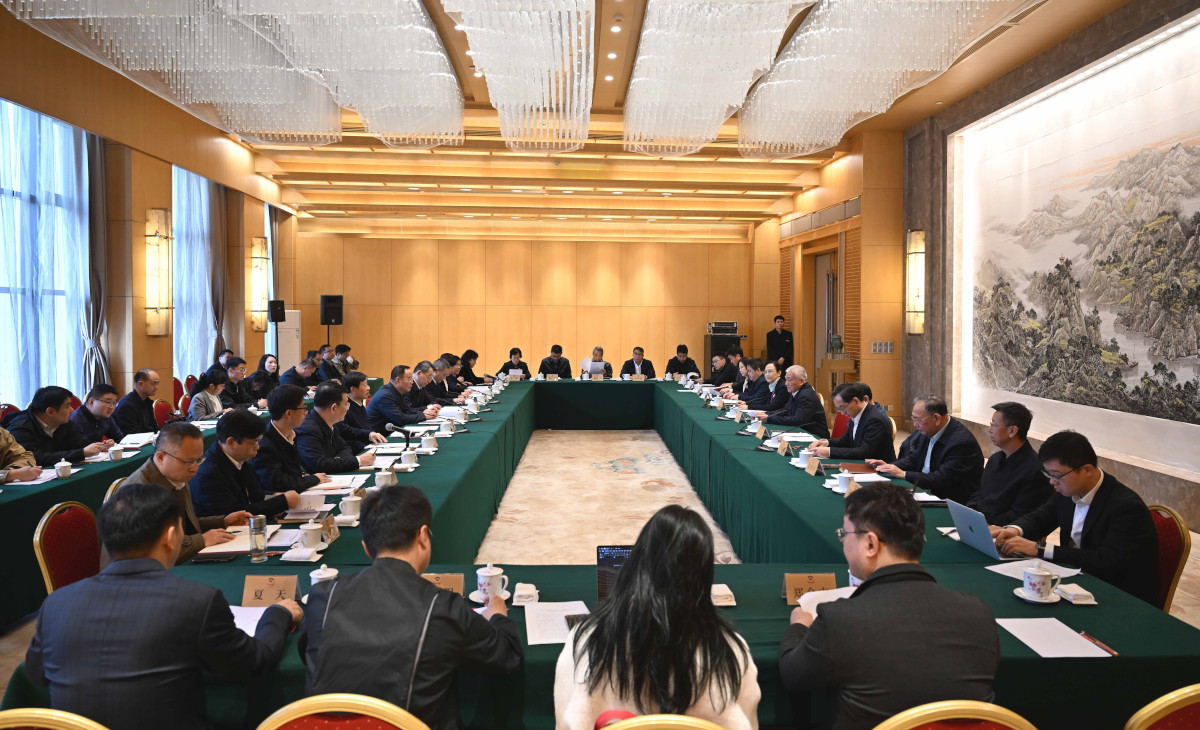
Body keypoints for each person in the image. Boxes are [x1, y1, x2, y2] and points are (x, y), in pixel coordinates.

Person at [26, 482, 300, 730]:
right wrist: (278, 614)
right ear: (171, 537)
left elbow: (37, 675)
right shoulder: (196, 601)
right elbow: (254, 663)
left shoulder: (56, 603)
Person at [301, 486, 523, 730]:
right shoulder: (443, 607)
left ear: (366, 547)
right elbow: (508, 657)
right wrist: (497, 616)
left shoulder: (323, 596)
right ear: (423, 536)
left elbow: (309, 652)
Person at [780, 484, 999, 729]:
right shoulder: (979, 612)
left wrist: (798, 625)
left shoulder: (840, 619)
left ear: (870, 544)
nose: (843, 541)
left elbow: (793, 676)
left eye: (845, 534)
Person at [555, 505, 759, 729]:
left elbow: (564, 720)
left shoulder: (586, 641)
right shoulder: (731, 651)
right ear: (704, 576)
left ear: (637, 562)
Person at [991, 431, 1159, 605]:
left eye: (1056, 475)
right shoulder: (1068, 490)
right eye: (1048, 474)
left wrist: (1040, 548)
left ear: (1087, 470)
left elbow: (1106, 561)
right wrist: (1013, 529)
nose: (1052, 482)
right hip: (1074, 583)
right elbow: (1041, 517)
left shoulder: (1126, 506)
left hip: (1118, 596)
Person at [121, 422, 249, 563]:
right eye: (188, 461)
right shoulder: (137, 493)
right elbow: (153, 550)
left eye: (198, 460)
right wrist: (201, 540)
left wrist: (222, 521)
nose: (194, 468)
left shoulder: (177, 475)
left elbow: (184, 526)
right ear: (161, 457)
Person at [869, 395, 984, 504]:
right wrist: (889, 466)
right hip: (925, 488)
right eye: (913, 419)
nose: (915, 424)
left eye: (918, 420)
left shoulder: (961, 443)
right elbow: (914, 459)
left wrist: (904, 474)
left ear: (936, 418)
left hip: (947, 500)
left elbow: (941, 479)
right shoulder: (930, 429)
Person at [190, 409, 300, 519]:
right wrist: (282, 502)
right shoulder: (209, 474)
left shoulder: (238, 458)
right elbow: (235, 513)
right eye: (254, 443)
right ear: (231, 443)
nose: (258, 447)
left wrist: (273, 496)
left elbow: (253, 494)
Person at [968, 402, 1052, 525]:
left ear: (1012, 430)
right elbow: (980, 492)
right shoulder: (995, 459)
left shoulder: (1035, 470)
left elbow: (1019, 517)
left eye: (994, 425)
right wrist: (971, 508)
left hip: (1002, 531)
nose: (989, 429)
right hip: (978, 523)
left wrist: (983, 520)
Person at [251, 385, 329, 495]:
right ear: (289, 413)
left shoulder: (291, 434)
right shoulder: (264, 446)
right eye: (303, 409)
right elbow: (277, 483)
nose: (306, 412)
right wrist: (313, 479)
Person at [6, 386, 106, 465]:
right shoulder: (20, 427)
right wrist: (81, 453)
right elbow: (33, 458)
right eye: (67, 406)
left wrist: (100, 446)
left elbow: (80, 442)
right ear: (50, 411)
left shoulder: (62, 422)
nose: (72, 410)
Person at [295, 382, 377, 474]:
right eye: (346, 404)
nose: (347, 408)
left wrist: (337, 460)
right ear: (333, 408)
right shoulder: (308, 429)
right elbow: (318, 465)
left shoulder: (332, 420)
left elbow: (345, 447)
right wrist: (358, 461)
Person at [809, 382, 896, 462]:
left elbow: (864, 452)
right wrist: (826, 442)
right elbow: (845, 440)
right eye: (838, 409)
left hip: (879, 469)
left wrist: (829, 452)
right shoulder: (856, 413)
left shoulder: (875, 419)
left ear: (856, 401)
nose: (842, 413)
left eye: (843, 408)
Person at [756, 366, 829, 438]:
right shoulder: (797, 390)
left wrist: (769, 419)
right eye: (786, 379)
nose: (786, 383)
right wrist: (766, 414)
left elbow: (797, 420)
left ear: (801, 381)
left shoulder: (806, 395)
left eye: (789, 380)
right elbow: (786, 410)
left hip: (816, 436)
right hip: (802, 431)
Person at [368, 365, 439, 432]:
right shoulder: (385, 396)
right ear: (398, 380)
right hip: (380, 435)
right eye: (409, 379)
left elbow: (407, 410)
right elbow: (400, 419)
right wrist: (423, 416)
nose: (412, 382)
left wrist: (424, 412)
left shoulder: (396, 391)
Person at [336, 372, 385, 453]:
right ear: (353, 389)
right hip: (359, 451)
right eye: (365, 385)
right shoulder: (345, 409)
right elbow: (348, 438)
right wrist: (369, 449)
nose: (368, 388)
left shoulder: (358, 403)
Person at [113, 368, 160, 434]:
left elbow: (154, 428)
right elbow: (133, 435)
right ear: (140, 384)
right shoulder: (126, 406)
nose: (156, 387)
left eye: (157, 383)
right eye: (154, 383)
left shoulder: (148, 402)